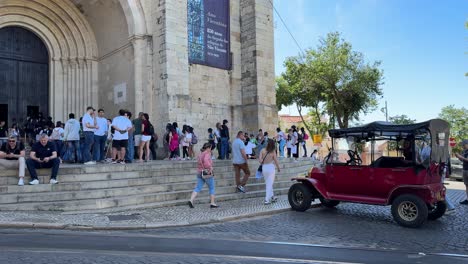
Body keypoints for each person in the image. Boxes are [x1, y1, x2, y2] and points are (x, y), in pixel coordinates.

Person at [188, 142, 218, 208]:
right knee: (212, 188)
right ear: (208, 148)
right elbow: (206, 162)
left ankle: (191, 200)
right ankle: (212, 203)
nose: (211, 149)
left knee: (198, 187)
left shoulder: (200, 154)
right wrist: (210, 167)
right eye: (210, 148)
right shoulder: (207, 153)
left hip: (199, 172)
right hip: (207, 173)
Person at [258, 139, 281, 204]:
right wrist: (278, 167)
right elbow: (276, 160)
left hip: (264, 167)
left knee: (268, 183)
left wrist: (262, 161)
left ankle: (272, 197)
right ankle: (266, 199)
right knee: (269, 184)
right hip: (271, 167)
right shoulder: (273, 151)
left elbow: (260, 160)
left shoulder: (262, 150)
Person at [455, 139, 468, 205]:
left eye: (463, 144)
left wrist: (461, 157)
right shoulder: (464, 151)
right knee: (466, 185)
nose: (462, 146)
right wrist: (459, 157)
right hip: (465, 169)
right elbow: (463, 160)